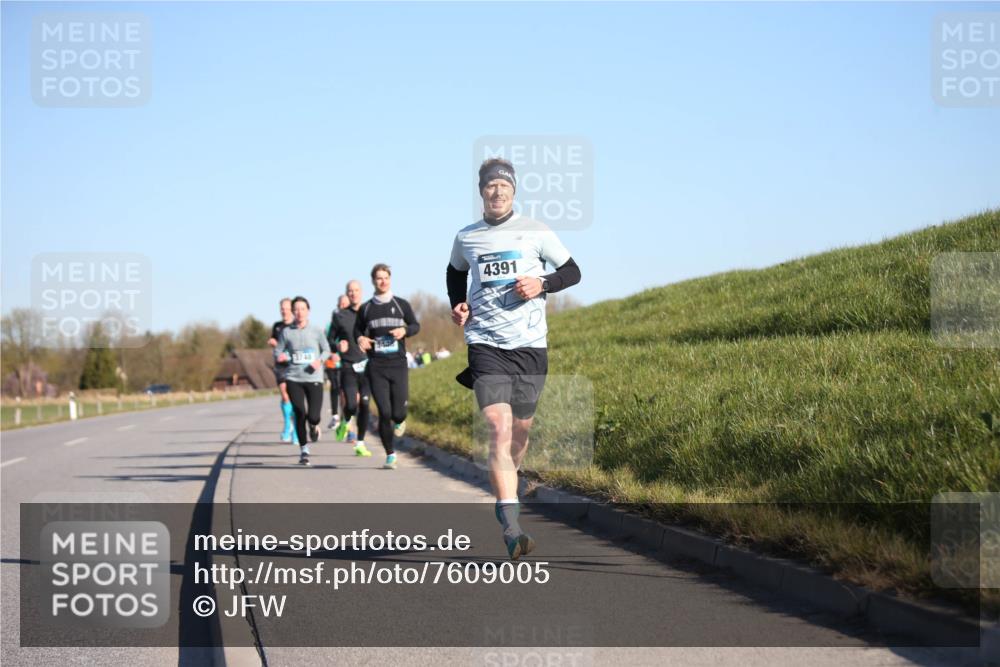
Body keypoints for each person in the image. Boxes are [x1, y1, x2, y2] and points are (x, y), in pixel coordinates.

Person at [447, 157, 581, 560]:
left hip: (530, 348)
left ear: (514, 191)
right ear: (481, 192)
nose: (498, 191)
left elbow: (573, 271)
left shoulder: (535, 232)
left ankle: (509, 483)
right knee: (498, 426)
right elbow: (454, 273)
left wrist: (541, 283)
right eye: (491, 186)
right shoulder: (467, 237)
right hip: (486, 345)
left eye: (504, 186)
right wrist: (457, 304)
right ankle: (511, 524)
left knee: (519, 434)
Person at [355, 263, 420, 469]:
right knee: (384, 412)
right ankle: (390, 454)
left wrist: (404, 331)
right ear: (373, 281)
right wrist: (360, 339)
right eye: (378, 278)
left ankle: (400, 420)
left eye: (385, 278)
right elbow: (357, 331)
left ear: (390, 279)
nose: (382, 281)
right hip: (377, 366)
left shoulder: (401, 304)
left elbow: (415, 325)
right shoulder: (366, 308)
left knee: (398, 413)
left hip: (398, 364)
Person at [274, 296, 331, 465]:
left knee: (314, 416)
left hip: (314, 377)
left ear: (308, 311)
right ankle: (304, 450)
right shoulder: (286, 332)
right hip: (293, 377)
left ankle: (313, 427)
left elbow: (327, 350)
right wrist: (281, 356)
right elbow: (278, 351)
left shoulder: (316, 331)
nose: (299, 312)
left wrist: (319, 361)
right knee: (299, 412)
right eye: (296, 309)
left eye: (302, 309)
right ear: (293, 312)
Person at [330, 280, 373, 457]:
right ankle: (345, 420)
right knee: (352, 404)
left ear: (361, 292)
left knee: (364, 403)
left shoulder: (370, 311)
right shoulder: (340, 315)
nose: (353, 293)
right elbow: (330, 339)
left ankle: (360, 443)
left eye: (356, 290)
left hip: (368, 365)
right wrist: (338, 344)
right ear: (347, 294)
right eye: (350, 291)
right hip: (348, 365)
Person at [268, 298, 297, 443]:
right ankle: (288, 424)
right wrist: (273, 343)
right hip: (281, 366)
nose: (284, 310)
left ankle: (296, 429)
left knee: (295, 397)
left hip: (294, 364)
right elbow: (274, 342)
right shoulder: (277, 326)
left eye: (286, 308)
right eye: (282, 308)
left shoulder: (295, 325)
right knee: (285, 396)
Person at [325, 294, 349, 430]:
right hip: (333, 362)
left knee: (346, 393)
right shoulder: (331, 324)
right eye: (341, 305)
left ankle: (346, 420)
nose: (343, 306)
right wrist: (333, 353)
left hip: (348, 362)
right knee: (335, 387)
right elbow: (328, 341)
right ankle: (335, 416)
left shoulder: (355, 320)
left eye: (345, 304)